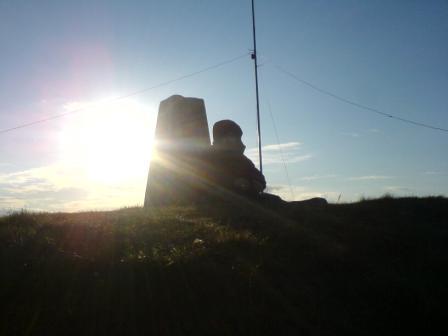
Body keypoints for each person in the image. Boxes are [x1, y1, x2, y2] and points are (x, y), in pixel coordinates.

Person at [205, 120, 266, 198]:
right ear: (221, 139)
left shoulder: (243, 160)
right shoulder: (208, 157)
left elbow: (259, 177)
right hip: (220, 202)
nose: (235, 140)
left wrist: (257, 183)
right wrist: (234, 182)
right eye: (231, 136)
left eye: (237, 137)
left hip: (247, 199)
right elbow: (205, 179)